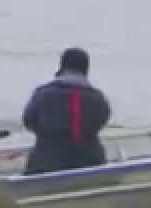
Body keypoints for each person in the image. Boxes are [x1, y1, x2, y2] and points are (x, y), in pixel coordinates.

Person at [21, 47, 112, 175]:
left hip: (46, 163)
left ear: (62, 67)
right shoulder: (98, 97)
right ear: (86, 69)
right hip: (91, 162)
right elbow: (102, 121)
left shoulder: (43, 94)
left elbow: (29, 121)